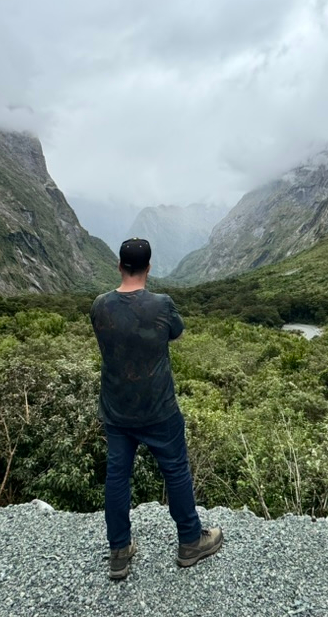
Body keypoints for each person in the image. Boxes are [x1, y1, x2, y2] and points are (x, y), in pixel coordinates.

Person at [89, 237, 223, 581]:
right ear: (149, 268)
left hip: (117, 409)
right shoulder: (163, 305)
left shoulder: (99, 306)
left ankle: (119, 551)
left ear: (119, 266)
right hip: (159, 408)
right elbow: (174, 335)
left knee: (117, 476)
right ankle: (190, 542)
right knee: (176, 471)